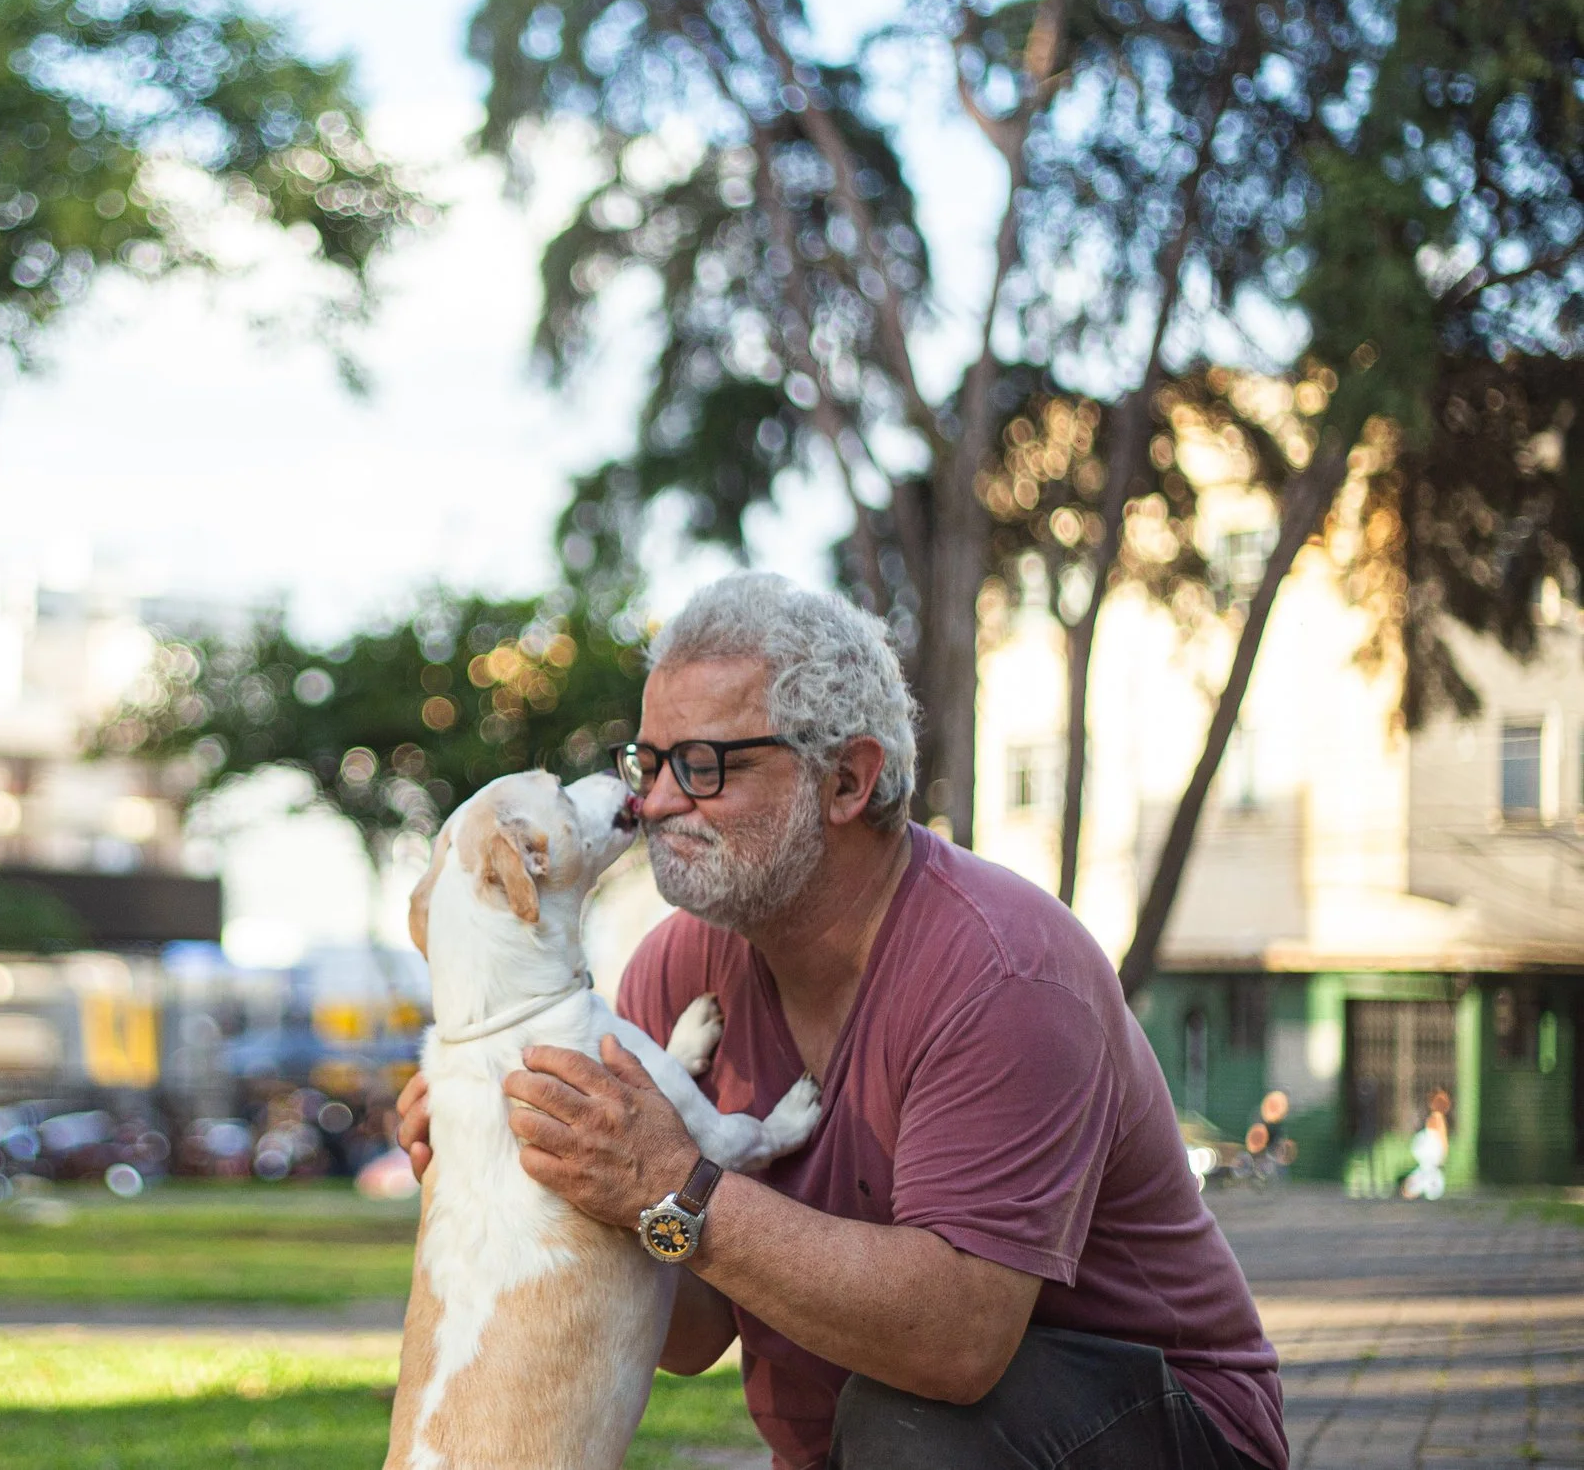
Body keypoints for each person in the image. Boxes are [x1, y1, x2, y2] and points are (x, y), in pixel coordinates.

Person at [395, 572, 1284, 1470]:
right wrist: (535, 1184)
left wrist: (674, 1182)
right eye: (648, 763)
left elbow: (957, 1343)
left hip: (1170, 1426)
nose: (654, 803)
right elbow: (693, 1328)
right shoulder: (676, 970)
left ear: (848, 780)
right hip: (882, 1444)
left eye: (702, 765)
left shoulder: (1004, 971)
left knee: (914, 1422)